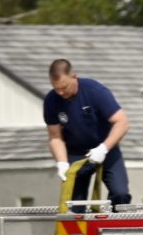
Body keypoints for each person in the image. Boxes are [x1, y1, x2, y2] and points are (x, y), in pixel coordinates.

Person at [44, 59, 132, 207]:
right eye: (56, 88)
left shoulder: (95, 91)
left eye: (64, 87)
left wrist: (103, 149)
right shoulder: (51, 100)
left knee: (120, 194)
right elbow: (55, 137)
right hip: (76, 154)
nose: (60, 92)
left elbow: (122, 122)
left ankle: (117, 221)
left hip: (106, 149)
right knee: (74, 204)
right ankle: (78, 222)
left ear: (74, 77)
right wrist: (62, 162)